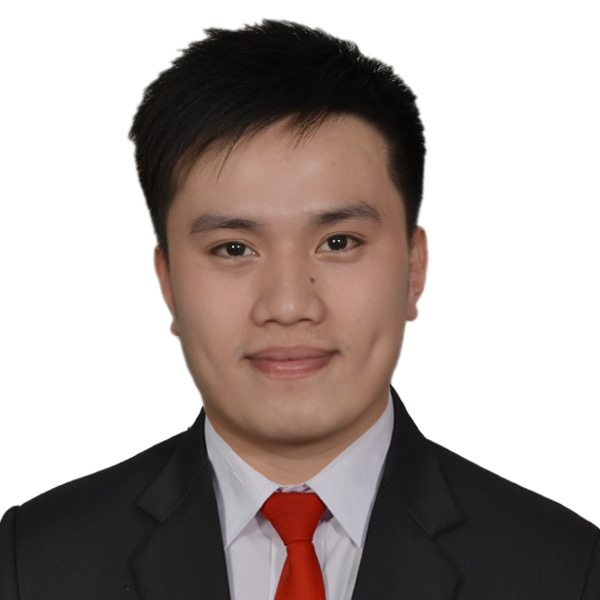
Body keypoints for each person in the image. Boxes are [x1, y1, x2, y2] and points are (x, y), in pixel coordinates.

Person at [0, 19, 598, 600]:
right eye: (233, 248)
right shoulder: (34, 564)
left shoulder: (566, 571)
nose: (288, 306)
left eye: (338, 242)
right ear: (170, 282)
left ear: (414, 268)